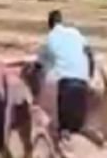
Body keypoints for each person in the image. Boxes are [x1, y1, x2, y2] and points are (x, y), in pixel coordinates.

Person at [36, 10, 94, 143]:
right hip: (83, 83)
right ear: (61, 21)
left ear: (49, 25)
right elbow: (90, 54)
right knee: (78, 127)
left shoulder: (49, 38)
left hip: (66, 84)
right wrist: (89, 75)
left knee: (63, 129)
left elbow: (39, 65)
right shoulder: (75, 33)